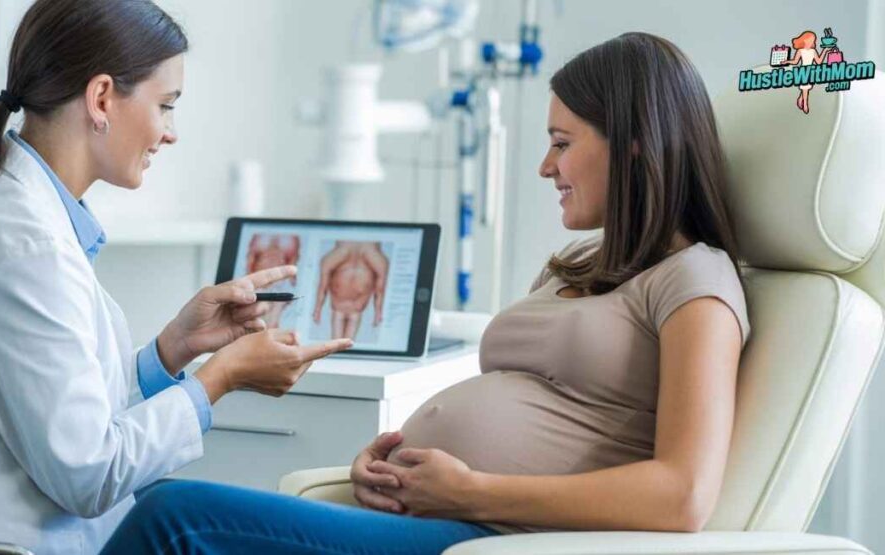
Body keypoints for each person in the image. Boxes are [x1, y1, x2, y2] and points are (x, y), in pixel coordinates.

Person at [100, 31, 751, 554]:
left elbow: (682, 494)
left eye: (561, 143)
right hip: (439, 515)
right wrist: (386, 461)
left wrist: (471, 490)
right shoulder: (577, 267)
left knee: (176, 516)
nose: (545, 167)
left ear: (634, 147)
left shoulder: (696, 282)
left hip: (493, 536)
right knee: (164, 499)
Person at [0, 1, 351, 554]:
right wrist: (217, 379)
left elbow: (66, 410)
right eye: (165, 106)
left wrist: (173, 349)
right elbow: (90, 473)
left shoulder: (23, 217)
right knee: (183, 516)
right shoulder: (27, 246)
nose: (170, 133)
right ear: (100, 99)